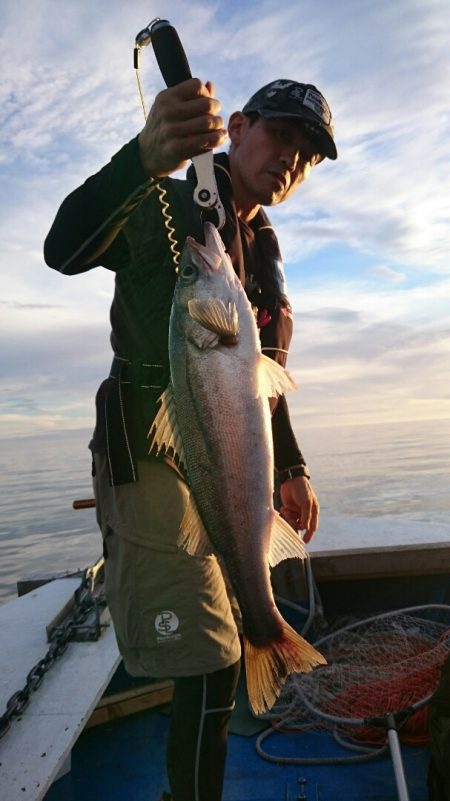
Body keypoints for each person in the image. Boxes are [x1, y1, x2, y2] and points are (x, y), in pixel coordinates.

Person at [44, 76, 337, 801]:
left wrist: (292, 465)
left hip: (225, 459)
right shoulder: (169, 206)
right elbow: (63, 247)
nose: (290, 163)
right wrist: (142, 157)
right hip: (146, 454)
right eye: (282, 138)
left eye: (307, 158)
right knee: (210, 658)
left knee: (226, 649)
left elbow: (262, 383)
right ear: (236, 125)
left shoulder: (261, 261)